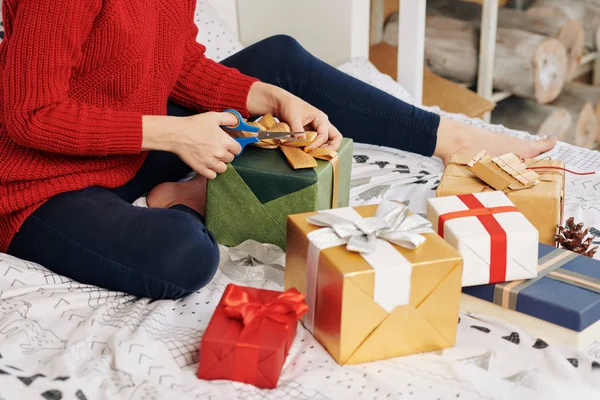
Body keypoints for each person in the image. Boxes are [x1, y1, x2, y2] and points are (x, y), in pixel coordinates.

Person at [0, 0, 556, 300]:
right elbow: (28, 114)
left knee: (280, 60)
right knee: (182, 259)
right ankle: (189, 200)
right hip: (44, 181)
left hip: (127, 145)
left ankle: (453, 138)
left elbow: (178, 63)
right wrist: (176, 135)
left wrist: (267, 96)